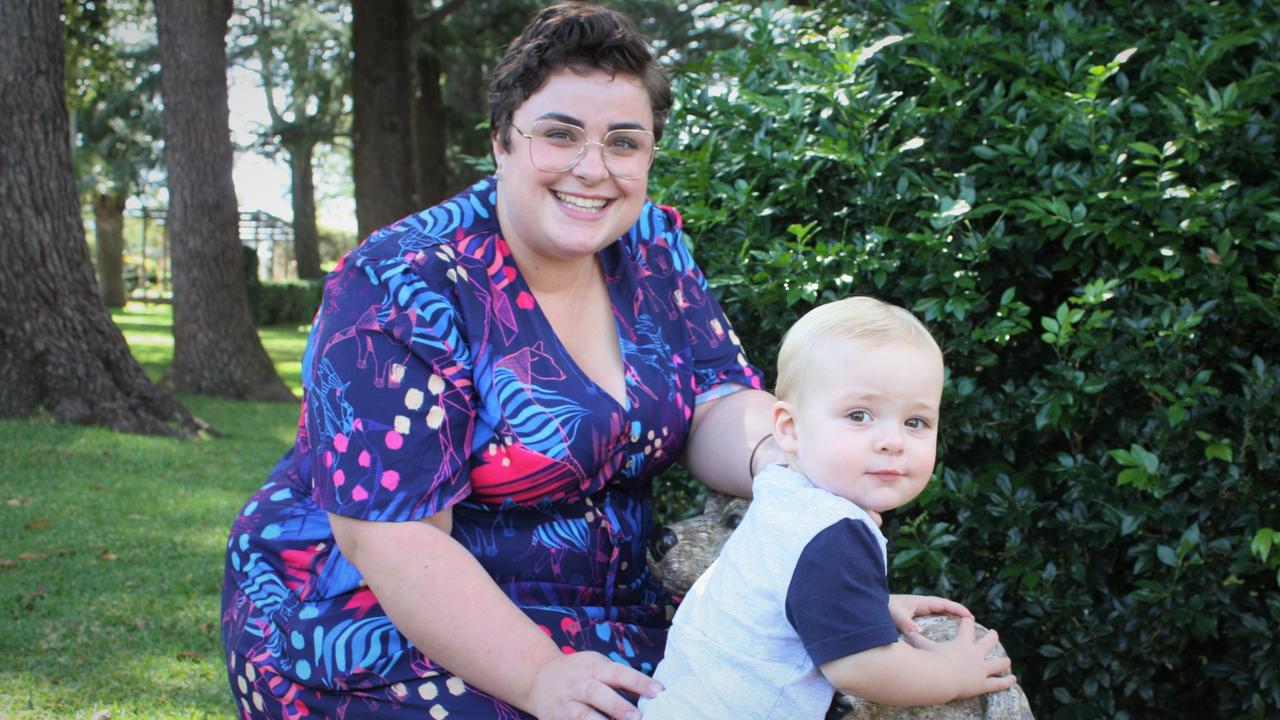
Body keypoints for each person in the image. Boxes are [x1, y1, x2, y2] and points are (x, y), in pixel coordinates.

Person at [220, 4, 781, 719]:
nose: (592, 168)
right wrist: (540, 676)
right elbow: (388, 538)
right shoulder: (401, 284)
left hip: (606, 608)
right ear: (500, 142)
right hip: (377, 615)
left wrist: (786, 467)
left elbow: (717, 397)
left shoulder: (654, 248)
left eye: (624, 143)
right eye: (560, 134)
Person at [639, 296, 1018, 719]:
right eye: (859, 415)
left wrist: (865, 606)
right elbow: (861, 668)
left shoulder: (782, 491)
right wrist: (950, 672)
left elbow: (773, 594)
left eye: (916, 422)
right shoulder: (833, 531)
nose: (893, 440)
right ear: (790, 427)